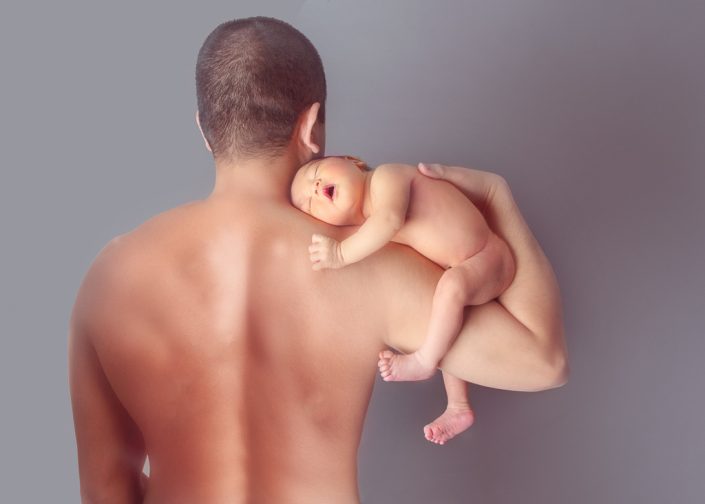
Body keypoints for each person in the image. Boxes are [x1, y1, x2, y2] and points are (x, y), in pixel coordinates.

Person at [69, 16, 568, 504]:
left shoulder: (111, 276)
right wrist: (498, 198)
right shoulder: (364, 261)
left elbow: (107, 488)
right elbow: (544, 363)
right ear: (309, 126)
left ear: (206, 130)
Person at [290, 155, 516, 444]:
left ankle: (424, 361)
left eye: (316, 172)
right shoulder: (367, 228)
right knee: (442, 314)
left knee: (450, 287)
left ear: (353, 162)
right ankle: (458, 406)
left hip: (489, 257)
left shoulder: (386, 178)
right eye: (309, 204)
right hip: (464, 265)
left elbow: (389, 220)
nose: (315, 187)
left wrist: (340, 254)